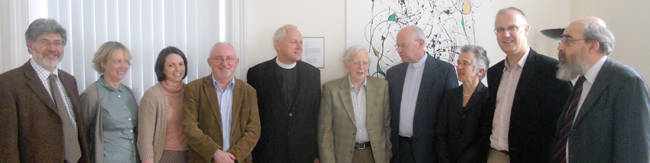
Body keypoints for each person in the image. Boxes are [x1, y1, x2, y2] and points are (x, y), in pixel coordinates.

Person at [549, 17, 650, 163]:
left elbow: (633, 153)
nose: (560, 47)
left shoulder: (627, 82)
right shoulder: (581, 81)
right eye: (562, 40)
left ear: (593, 46)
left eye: (568, 41)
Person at [486, 7, 572, 163]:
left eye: (512, 27)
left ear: (526, 30)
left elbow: (565, 124)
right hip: (495, 156)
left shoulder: (553, 71)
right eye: (500, 29)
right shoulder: (493, 73)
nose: (506, 35)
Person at [0, 18, 90, 163]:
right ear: (30, 46)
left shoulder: (69, 80)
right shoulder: (9, 83)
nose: (52, 48)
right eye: (44, 42)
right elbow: (6, 141)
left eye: (57, 43)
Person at [248, 24, 321, 163]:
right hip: (268, 154)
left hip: (303, 154)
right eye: (294, 42)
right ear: (278, 44)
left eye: (301, 42)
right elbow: (252, 117)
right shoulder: (257, 74)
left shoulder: (313, 74)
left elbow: (317, 116)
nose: (299, 47)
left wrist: (317, 154)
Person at [386, 25, 458, 163]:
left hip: (429, 152)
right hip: (398, 151)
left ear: (421, 43)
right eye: (398, 46)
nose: (399, 50)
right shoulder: (393, 74)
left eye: (404, 45)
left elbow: (450, 118)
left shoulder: (444, 72)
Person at [183, 43, 260, 163]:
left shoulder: (248, 92)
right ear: (210, 62)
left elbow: (254, 130)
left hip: (238, 160)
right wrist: (215, 153)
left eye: (229, 58)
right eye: (218, 58)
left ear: (236, 62)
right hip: (204, 159)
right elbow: (190, 127)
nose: (224, 63)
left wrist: (231, 158)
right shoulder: (193, 89)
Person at [318, 45, 391, 163]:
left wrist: (387, 155)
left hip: (374, 155)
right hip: (343, 156)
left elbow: (387, 126)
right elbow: (325, 133)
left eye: (365, 63)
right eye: (356, 63)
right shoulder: (331, 90)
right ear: (346, 65)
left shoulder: (382, 87)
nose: (361, 68)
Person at [81, 41, 140, 163]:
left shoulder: (129, 93)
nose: (123, 66)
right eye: (117, 61)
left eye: (126, 62)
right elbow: (81, 135)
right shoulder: (91, 95)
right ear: (103, 63)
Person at [436, 45, 491, 163]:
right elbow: (441, 132)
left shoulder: (488, 98)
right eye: (458, 62)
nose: (459, 67)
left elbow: (484, 139)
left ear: (480, 71)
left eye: (465, 63)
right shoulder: (449, 96)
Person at [138, 46, 190, 163]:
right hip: (164, 156)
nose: (177, 69)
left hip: (191, 156)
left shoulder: (191, 92)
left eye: (181, 64)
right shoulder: (152, 96)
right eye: (171, 65)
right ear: (162, 69)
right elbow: (145, 139)